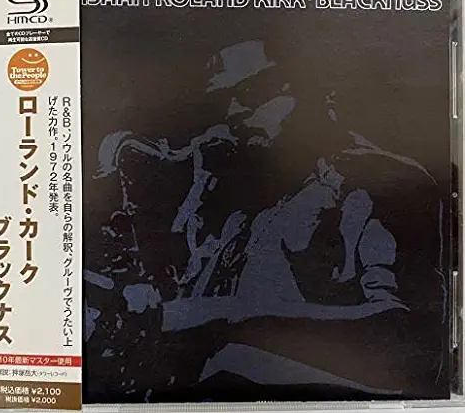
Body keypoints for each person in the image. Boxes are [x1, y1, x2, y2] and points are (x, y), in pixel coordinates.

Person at [86, 39, 447, 400]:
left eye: (248, 94)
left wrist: (222, 317)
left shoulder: (381, 182)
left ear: (305, 89)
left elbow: (407, 338)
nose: (232, 115)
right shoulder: (251, 203)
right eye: (222, 103)